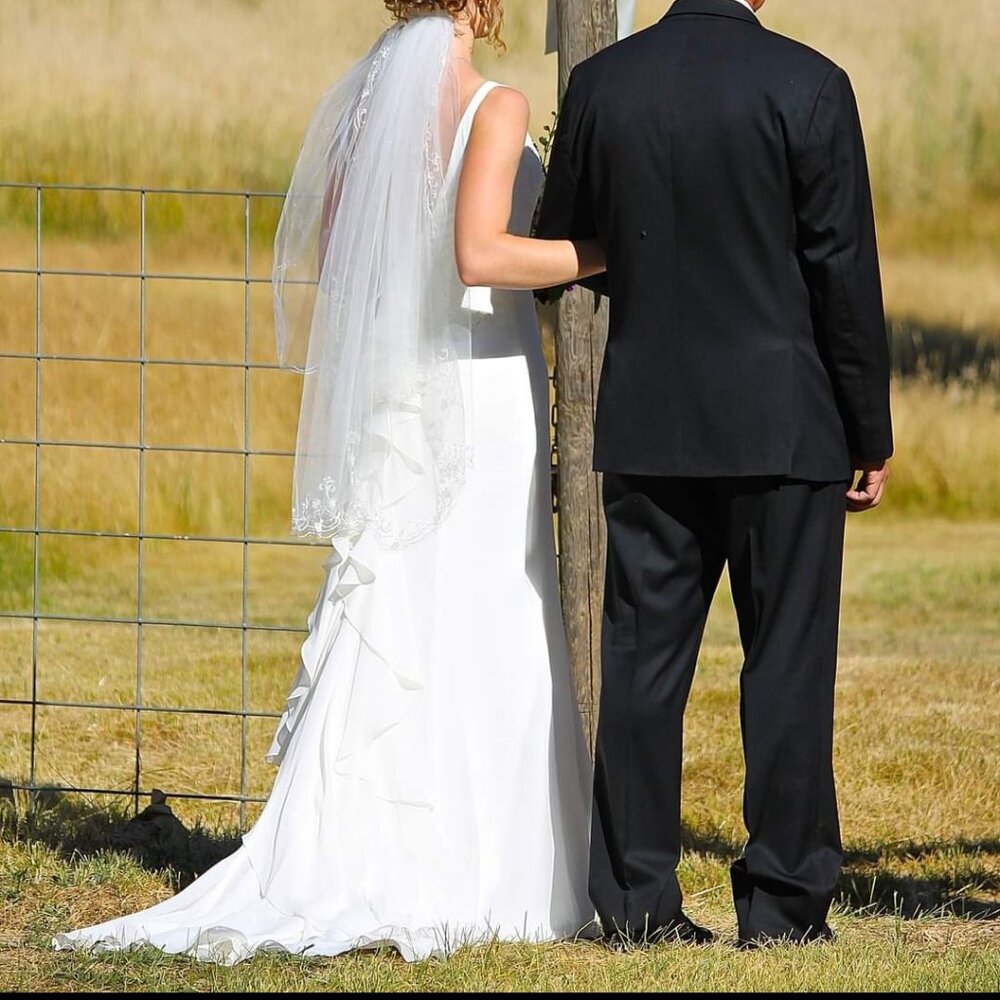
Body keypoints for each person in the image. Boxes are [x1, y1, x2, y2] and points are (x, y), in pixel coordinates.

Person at [54, 1, 604, 963]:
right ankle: (490, 863)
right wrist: (604, 253)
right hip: (474, 383)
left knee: (402, 604)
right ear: (481, 3)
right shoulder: (498, 105)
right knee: (483, 604)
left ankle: (366, 835)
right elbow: (479, 254)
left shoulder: (368, 100)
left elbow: (346, 258)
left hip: (404, 389)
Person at [536, 0, 893, 949]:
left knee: (642, 668)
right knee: (786, 667)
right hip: (788, 426)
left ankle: (633, 903)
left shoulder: (601, 84)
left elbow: (564, 239)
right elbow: (842, 271)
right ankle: (781, 910)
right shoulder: (811, 85)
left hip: (651, 420)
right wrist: (871, 428)